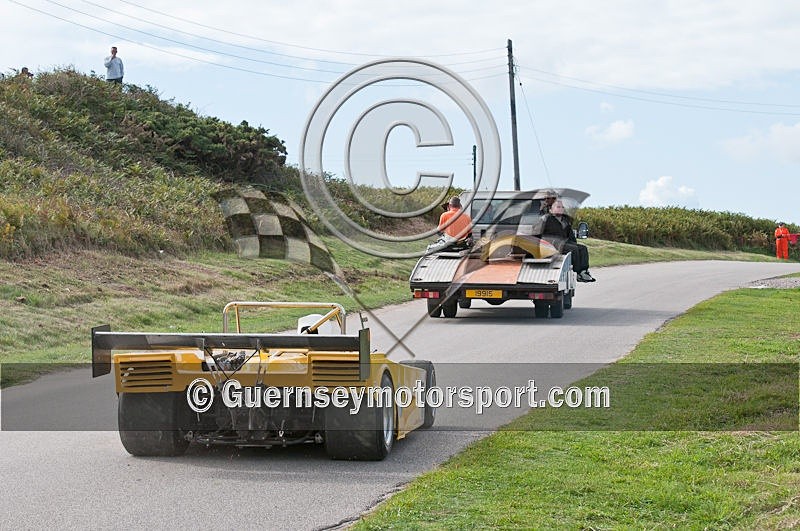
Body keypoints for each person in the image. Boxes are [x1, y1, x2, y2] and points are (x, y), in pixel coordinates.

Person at [539, 199, 595, 282]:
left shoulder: (565, 221)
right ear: (550, 209)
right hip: (552, 245)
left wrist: (575, 243)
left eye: (562, 207)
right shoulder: (545, 219)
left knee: (583, 248)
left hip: (564, 244)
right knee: (573, 249)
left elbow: (571, 237)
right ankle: (578, 272)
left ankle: (584, 271)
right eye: (558, 207)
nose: (561, 208)